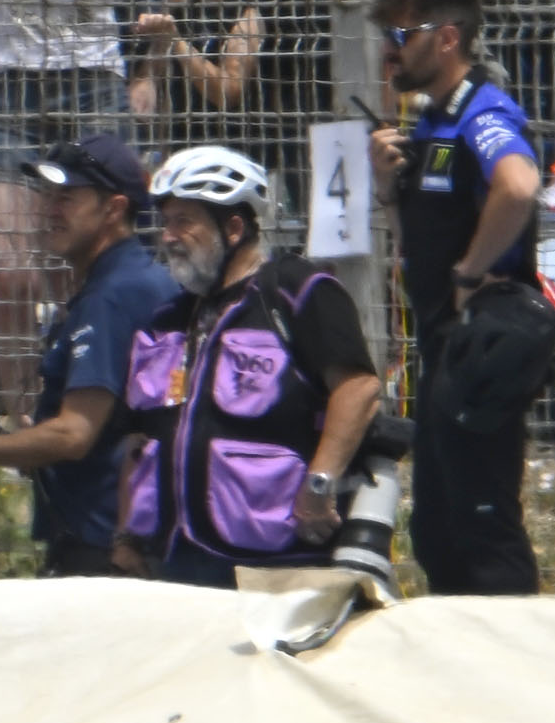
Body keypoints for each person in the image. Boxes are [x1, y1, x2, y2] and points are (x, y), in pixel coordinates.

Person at [0, 130, 167, 577]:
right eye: (47, 194)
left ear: (114, 209)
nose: (48, 209)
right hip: (118, 540)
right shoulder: (125, 283)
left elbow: (73, 435)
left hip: (105, 553)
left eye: (68, 196)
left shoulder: (114, 296)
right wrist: (24, 443)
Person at [115, 142, 383, 588]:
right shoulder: (168, 320)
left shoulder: (296, 293)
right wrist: (124, 536)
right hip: (171, 556)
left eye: (184, 221)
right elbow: (139, 439)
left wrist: (318, 487)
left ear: (233, 227)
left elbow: (358, 389)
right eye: (165, 222)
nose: (168, 236)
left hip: (271, 559)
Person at [381, 0, 553, 596]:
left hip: (476, 347)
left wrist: (470, 272)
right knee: (437, 531)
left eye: (401, 33)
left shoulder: (482, 110)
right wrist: (386, 189)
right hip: (439, 345)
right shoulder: (432, 121)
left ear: (446, 38)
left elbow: (519, 186)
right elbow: (423, 236)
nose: (389, 49)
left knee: (482, 529)